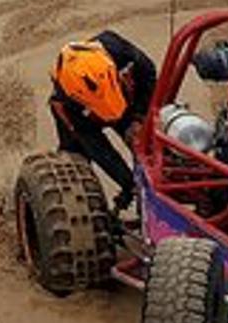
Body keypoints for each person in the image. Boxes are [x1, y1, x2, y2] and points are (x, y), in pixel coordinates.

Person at [47, 29, 157, 212]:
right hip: (85, 119)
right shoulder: (64, 105)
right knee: (74, 164)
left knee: (150, 144)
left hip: (128, 104)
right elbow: (99, 149)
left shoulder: (120, 51)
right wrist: (128, 182)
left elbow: (149, 76)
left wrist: (140, 117)